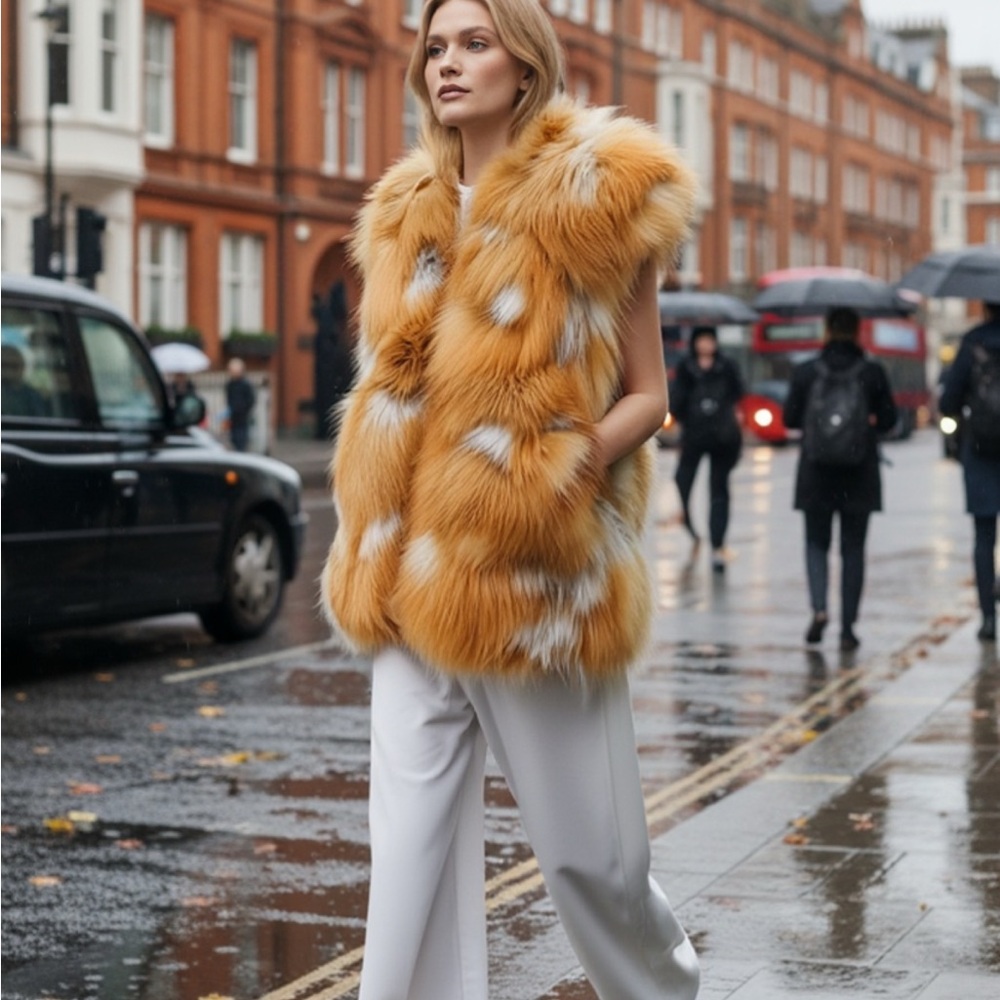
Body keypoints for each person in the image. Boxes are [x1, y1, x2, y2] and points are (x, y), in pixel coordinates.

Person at [321, 1, 700, 997]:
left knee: (593, 862)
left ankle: (665, 987)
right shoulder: (403, 212)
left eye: (473, 44)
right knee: (405, 856)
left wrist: (565, 466)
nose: (447, 63)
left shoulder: (597, 193)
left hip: (537, 577)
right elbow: (389, 387)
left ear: (522, 65)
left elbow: (649, 395)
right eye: (436, 46)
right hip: (407, 574)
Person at [782, 306, 897, 652]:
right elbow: (891, 421)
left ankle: (819, 609)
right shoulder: (873, 371)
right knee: (853, 549)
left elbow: (790, 418)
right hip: (859, 473)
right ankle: (848, 629)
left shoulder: (806, 371)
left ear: (827, 330)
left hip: (816, 472)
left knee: (816, 544)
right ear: (858, 330)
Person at [938, 300, 1000, 642]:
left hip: (981, 449)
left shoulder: (972, 341)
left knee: (984, 534)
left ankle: (988, 618)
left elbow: (948, 402)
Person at [669, 325, 745, 571]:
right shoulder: (685, 367)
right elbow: (676, 400)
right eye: (701, 340)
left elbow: (739, 393)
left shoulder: (727, 366)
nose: (706, 345)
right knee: (683, 481)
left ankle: (717, 544)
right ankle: (690, 526)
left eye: (710, 340)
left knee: (719, 491)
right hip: (694, 436)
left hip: (723, 437)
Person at [1, 344, 49, 417]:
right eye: (2, 366)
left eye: (13, 367)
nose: (8, 372)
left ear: (22, 368)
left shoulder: (33, 397)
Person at [224, 357, 256, 451]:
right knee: (234, 440)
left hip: (242, 418)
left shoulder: (245, 385)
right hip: (234, 418)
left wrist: (243, 410)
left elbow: (251, 400)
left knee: (241, 441)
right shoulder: (230, 384)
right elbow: (229, 399)